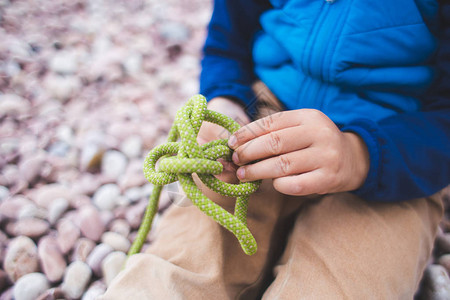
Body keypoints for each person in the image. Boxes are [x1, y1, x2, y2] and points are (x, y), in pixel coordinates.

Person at [101, 0, 450, 298]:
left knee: (344, 283)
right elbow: (228, 41)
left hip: (399, 156)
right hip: (260, 120)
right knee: (185, 259)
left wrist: (359, 155)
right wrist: (226, 99)